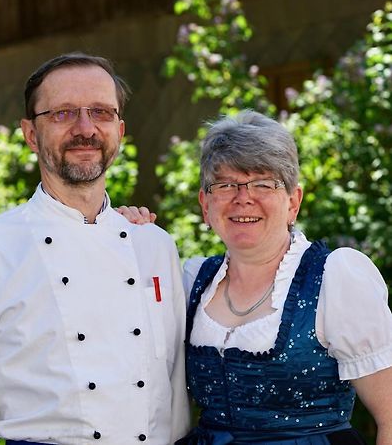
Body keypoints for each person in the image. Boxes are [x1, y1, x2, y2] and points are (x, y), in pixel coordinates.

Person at [0, 52, 190, 445]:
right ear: (30, 134)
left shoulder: (155, 244)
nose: (85, 128)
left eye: (101, 112)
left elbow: (175, 388)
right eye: (63, 114)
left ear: (120, 130)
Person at [120, 110, 392, 445]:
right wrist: (126, 234)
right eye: (225, 184)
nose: (243, 197)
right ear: (205, 205)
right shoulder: (192, 280)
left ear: (293, 202)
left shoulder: (336, 278)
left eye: (263, 183)